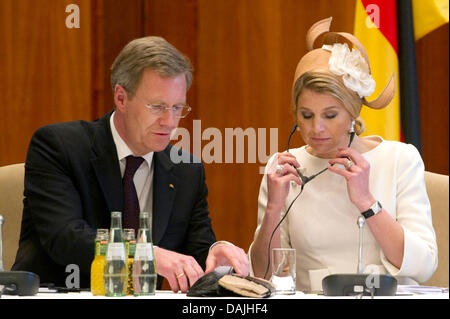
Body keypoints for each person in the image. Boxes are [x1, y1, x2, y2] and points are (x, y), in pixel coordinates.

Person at [12, 36, 249, 292]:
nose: (170, 122)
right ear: (121, 98)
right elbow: (65, 238)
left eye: (177, 107)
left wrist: (217, 254)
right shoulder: (59, 147)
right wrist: (147, 254)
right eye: (157, 106)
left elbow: (196, 250)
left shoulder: (186, 170)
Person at [249, 17, 437, 292]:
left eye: (330, 115)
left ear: (352, 113)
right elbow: (263, 274)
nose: (317, 128)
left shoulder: (400, 158)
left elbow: (424, 266)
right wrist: (274, 209)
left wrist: (366, 201)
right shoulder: (284, 169)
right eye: (306, 115)